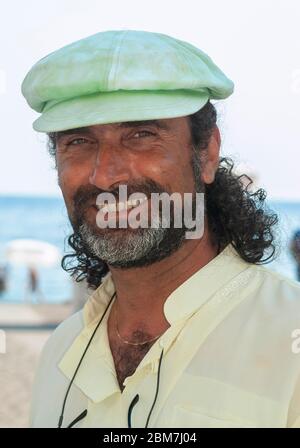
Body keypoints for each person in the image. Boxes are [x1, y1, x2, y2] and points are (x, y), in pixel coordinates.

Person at [21, 30, 300, 428]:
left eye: (141, 135)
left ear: (206, 154)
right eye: (79, 141)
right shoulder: (61, 352)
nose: (106, 176)